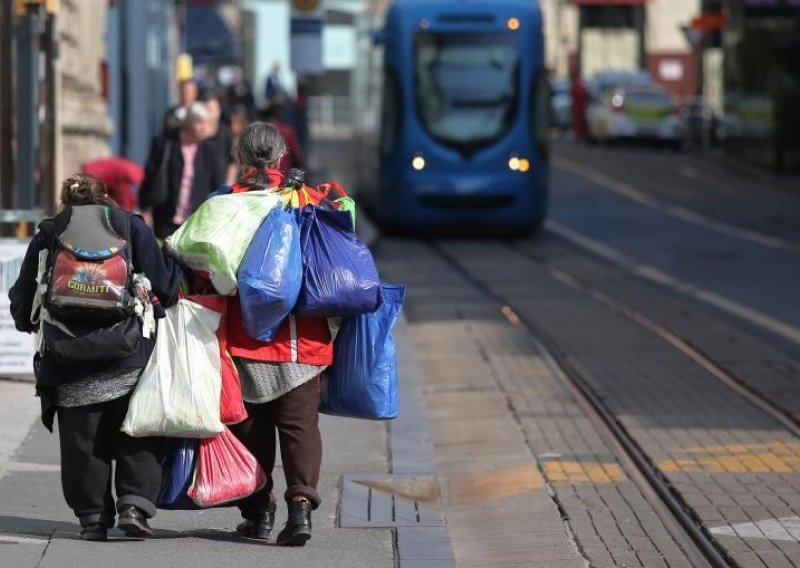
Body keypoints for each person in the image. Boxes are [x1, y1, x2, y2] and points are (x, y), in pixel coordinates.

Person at [8, 173, 183, 541]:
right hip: (128, 354)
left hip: (68, 358)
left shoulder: (49, 232)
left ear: (65, 201)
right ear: (106, 198)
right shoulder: (131, 226)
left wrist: (25, 321)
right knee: (136, 430)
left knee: (82, 445)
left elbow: (24, 295)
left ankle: (92, 517)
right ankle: (134, 504)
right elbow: (167, 289)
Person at [222, 122, 333, 546]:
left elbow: (199, 263)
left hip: (248, 337)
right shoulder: (310, 198)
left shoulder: (228, 204)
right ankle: (301, 509)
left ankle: (259, 511)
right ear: (282, 154)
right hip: (304, 340)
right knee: (300, 425)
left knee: (250, 428)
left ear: (241, 157)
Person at [138, 102, 226, 239]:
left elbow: (218, 184)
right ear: (190, 123)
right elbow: (150, 174)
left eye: (207, 123)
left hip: (195, 222)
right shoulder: (166, 143)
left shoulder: (210, 151)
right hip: (165, 218)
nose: (205, 128)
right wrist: (144, 207)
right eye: (200, 123)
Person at [198, 88, 237, 184]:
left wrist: (227, 188)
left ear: (218, 111)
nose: (209, 114)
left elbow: (232, 163)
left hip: (219, 190)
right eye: (206, 110)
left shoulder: (226, 133)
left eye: (211, 110)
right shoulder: (196, 134)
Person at [261, 104, 305, 175]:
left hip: (264, 177)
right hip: (285, 177)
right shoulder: (287, 131)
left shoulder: (260, 133)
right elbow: (297, 155)